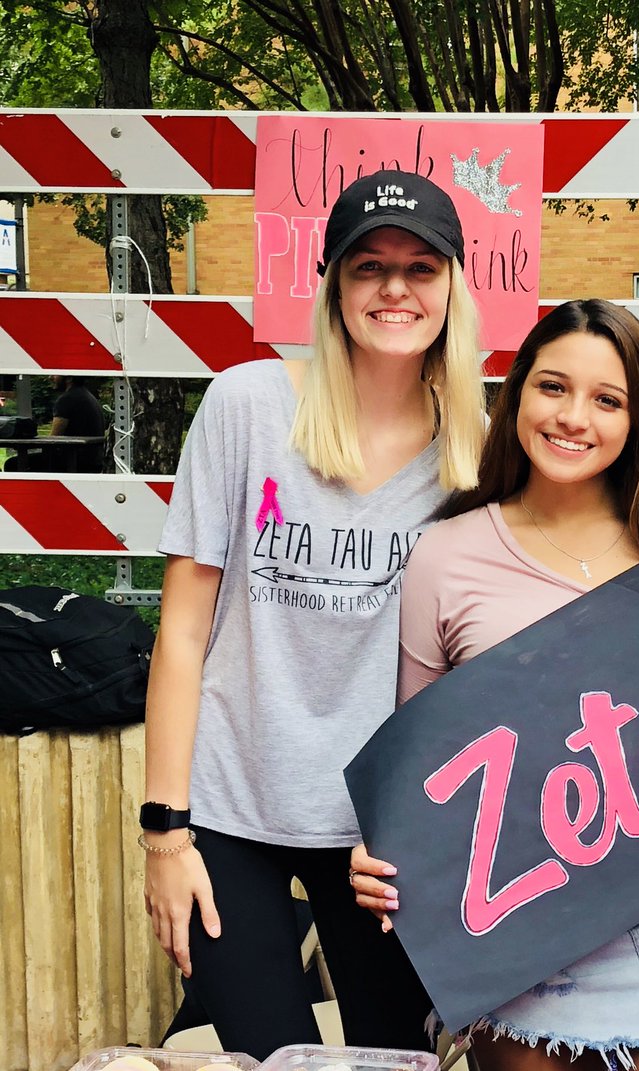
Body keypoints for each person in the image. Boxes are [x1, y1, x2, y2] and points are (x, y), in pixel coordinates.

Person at [350, 299, 639, 1071]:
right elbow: (419, 768)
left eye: (607, 399)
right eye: (552, 387)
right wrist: (379, 853)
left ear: (638, 419)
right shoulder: (446, 554)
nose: (574, 416)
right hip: (525, 929)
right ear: (516, 396)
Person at [141, 169, 485, 1059]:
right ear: (333, 282)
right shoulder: (248, 406)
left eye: (421, 266)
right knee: (267, 1057)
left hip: (385, 835)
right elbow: (181, 631)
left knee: (394, 1056)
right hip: (230, 812)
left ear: (453, 285)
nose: (395, 289)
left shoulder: (478, 452)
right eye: (369, 266)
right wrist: (164, 832)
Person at [50, 374, 106, 471]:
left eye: (55, 374)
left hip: (74, 462)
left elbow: (53, 438)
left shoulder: (66, 399)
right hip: (94, 461)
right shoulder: (88, 396)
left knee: (17, 463)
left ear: (69, 378)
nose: (50, 377)